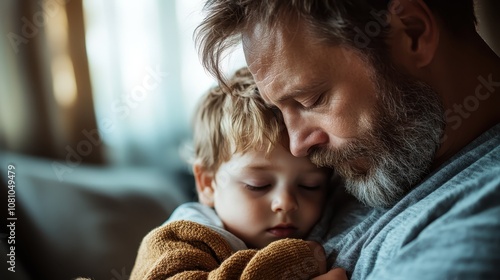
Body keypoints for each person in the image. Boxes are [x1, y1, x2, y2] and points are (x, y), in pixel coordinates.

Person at [195, 0, 500, 279]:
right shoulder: (380, 151)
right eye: (280, 109)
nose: (297, 145)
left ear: (414, 32)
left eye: (312, 100)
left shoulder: (479, 215)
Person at [130, 67, 337, 279]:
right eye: (258, 185)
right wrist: (297, 260)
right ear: (208, 183)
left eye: (310, 185)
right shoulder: (179, 238)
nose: (285, 203)